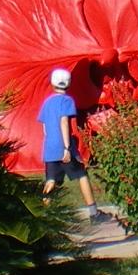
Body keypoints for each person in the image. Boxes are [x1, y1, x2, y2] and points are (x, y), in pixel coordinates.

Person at [38, 67, 99, 216]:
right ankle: (93, 213)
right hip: (64, 147)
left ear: (52, 83)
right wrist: (66, 147)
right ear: (69, 83)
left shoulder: (47, 103)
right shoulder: (67, 100)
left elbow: (44, 128)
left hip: (49, 147)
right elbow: (64, 121)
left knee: (51, 180)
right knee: (82, 175)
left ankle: (44, 216)